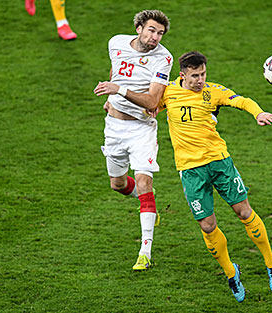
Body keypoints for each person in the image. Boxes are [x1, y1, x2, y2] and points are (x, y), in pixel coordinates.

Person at [159, 51, 272, 302]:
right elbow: (149, 105)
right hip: (190, 170)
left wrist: (257, 113)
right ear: (182, 75)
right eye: (195, 76)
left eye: (203, 73)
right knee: (207, 225)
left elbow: (242, 100)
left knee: (244, 212)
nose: (200, 80)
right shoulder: (168, 93)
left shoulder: (212, 91)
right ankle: (230, 272)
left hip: (219, 162)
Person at [93, 9, 173, 271]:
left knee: (143, 180)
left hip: (142, 129)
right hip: (114, 126)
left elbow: (151, 101)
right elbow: (116, 68)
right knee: (117, 184)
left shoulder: (163, 59)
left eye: (160, 33)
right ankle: (147, 204)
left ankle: (145, 252)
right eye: (151, 30)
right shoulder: (116, 42)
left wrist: (118, 89)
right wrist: (111, 95)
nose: (155, 37)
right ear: (139, 28)